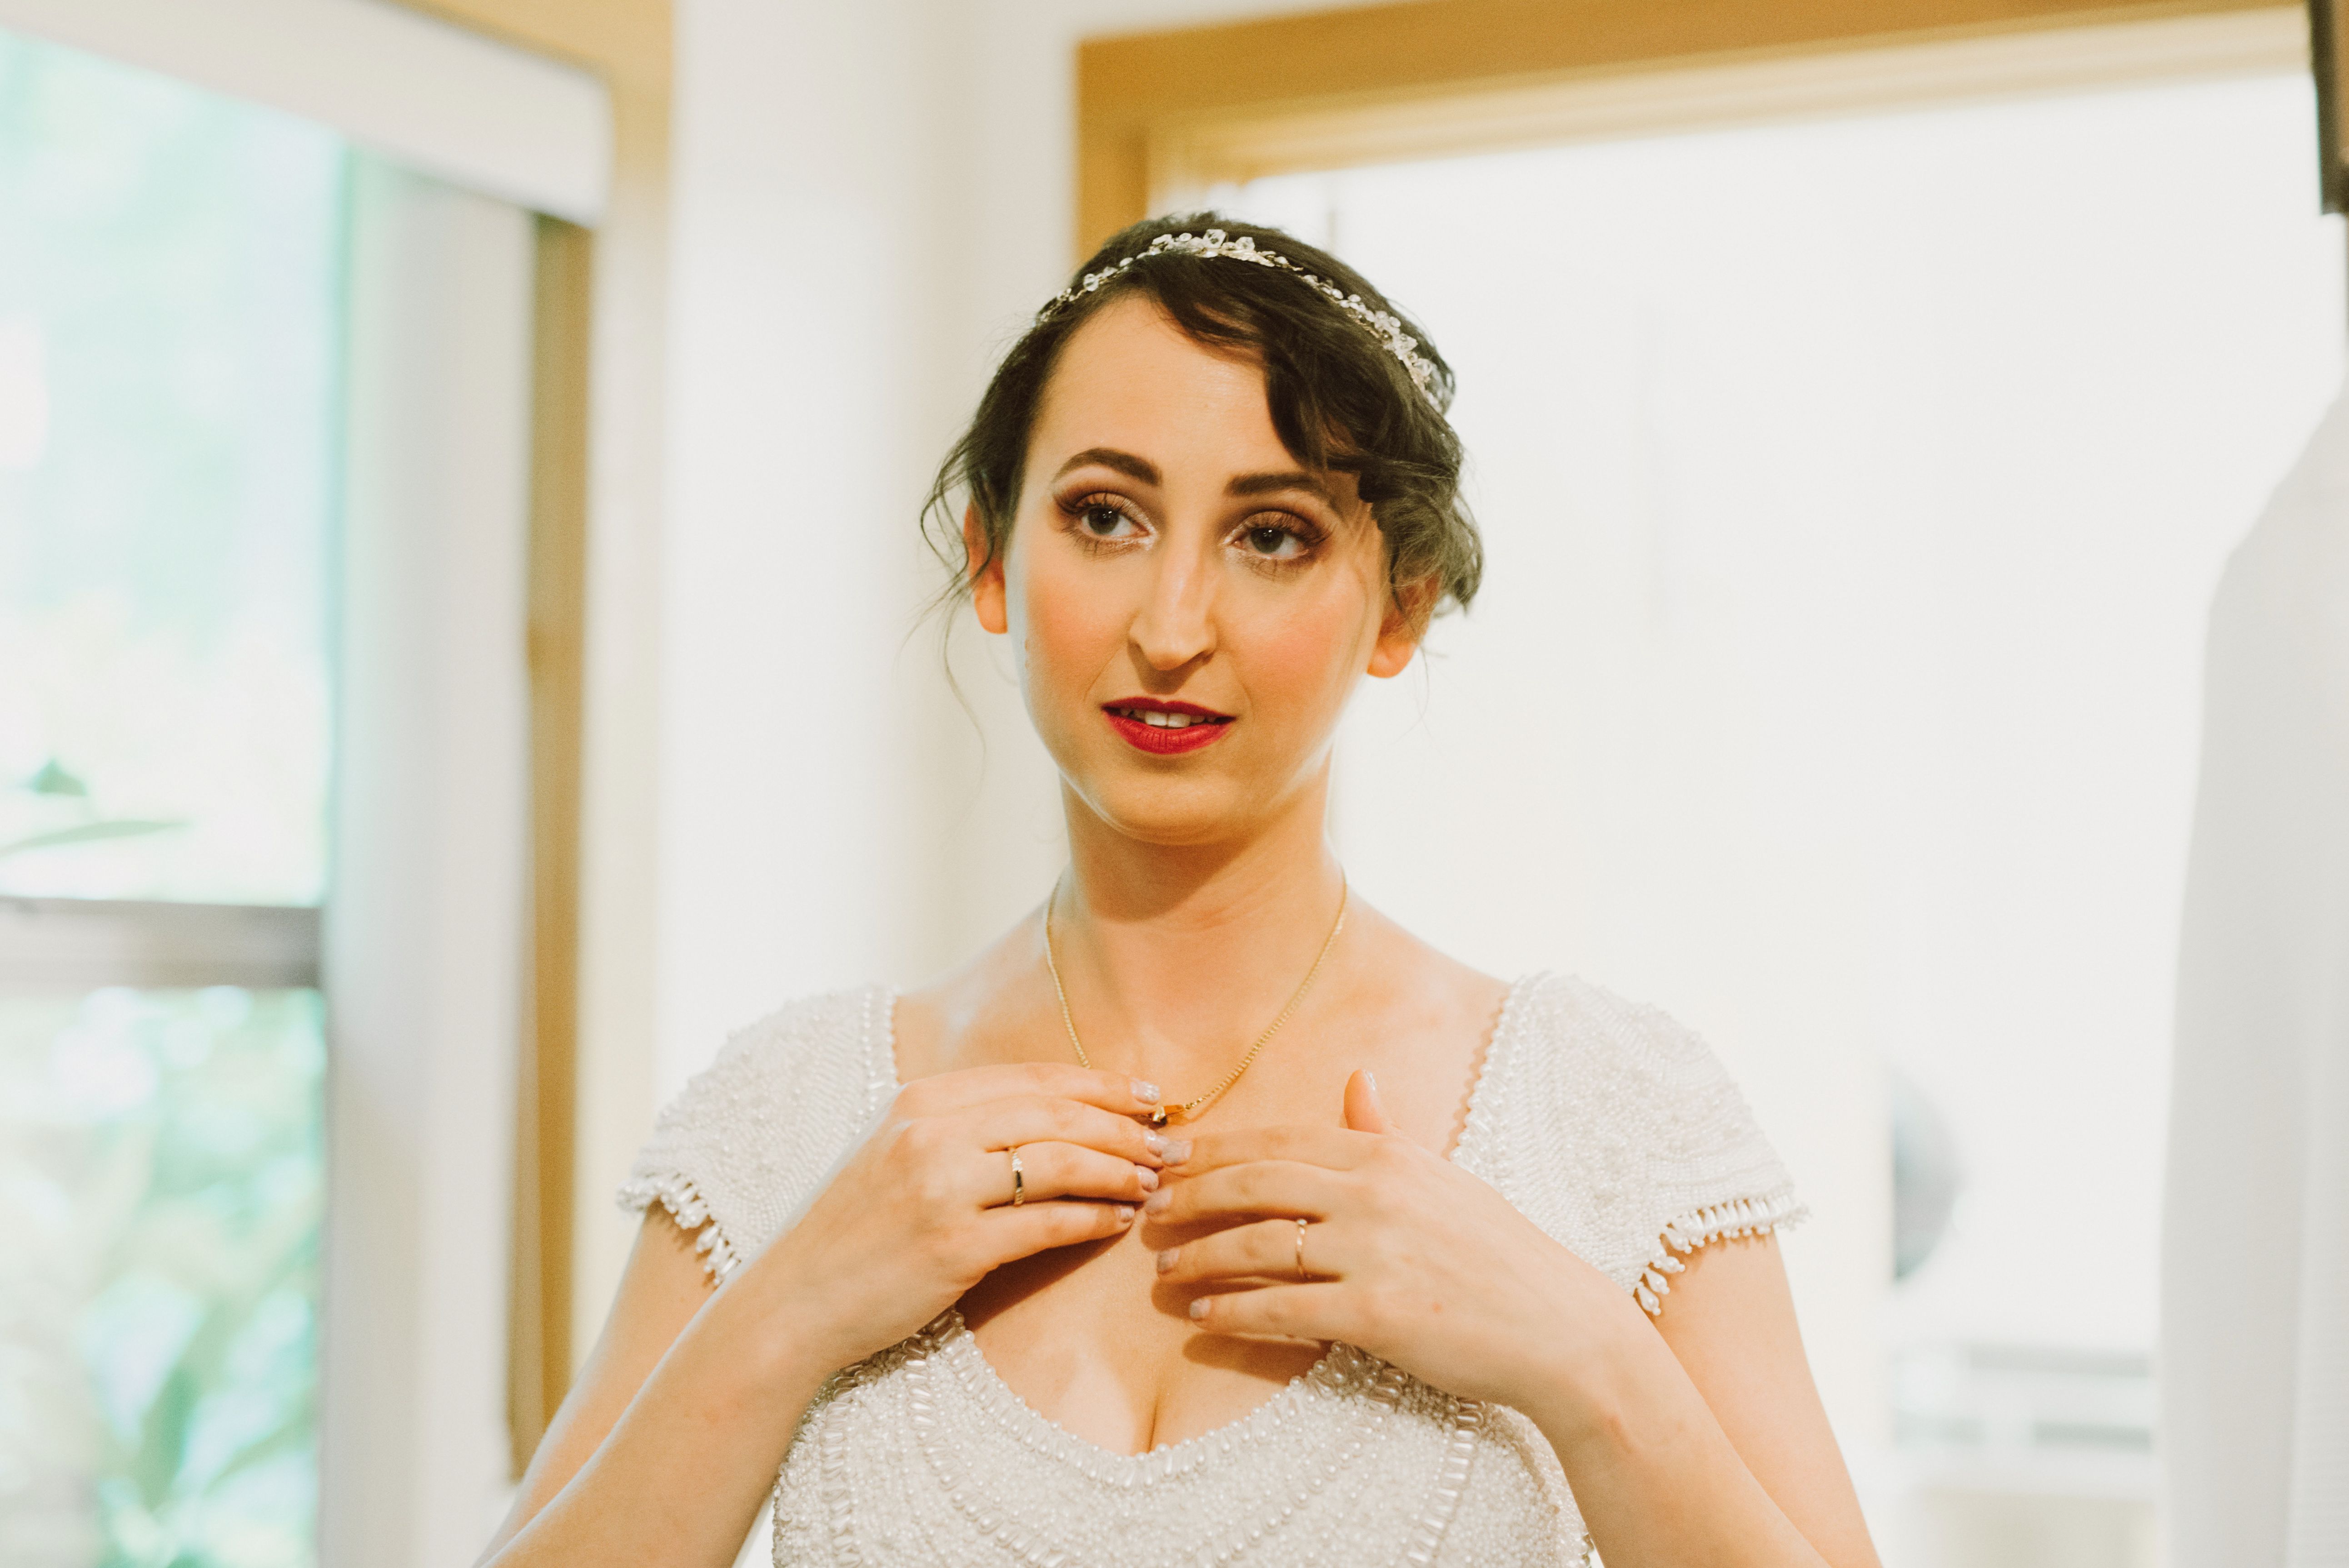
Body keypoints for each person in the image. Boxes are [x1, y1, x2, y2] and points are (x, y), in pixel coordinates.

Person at [479, 216, 1880, 1568]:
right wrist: (785, 1309)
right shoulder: (794, 1116)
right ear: (990, 559)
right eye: (1104, 515)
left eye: (1269, 534)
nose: (1169, 626)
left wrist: (1588, 1364)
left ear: (1397, 604)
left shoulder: (1604, 1113)